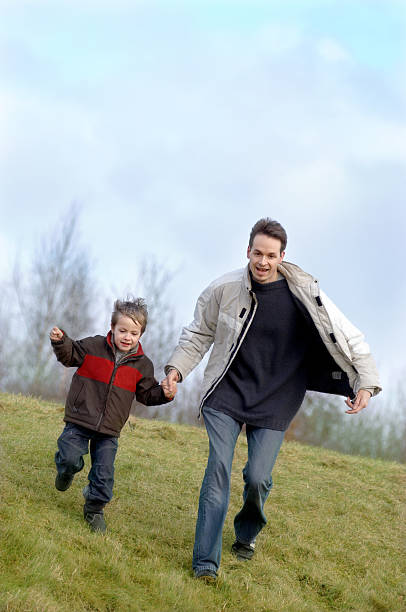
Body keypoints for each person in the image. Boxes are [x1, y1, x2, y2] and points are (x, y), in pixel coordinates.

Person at [163, 218, 381, 581]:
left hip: (277, 397)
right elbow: (199, 333)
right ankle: (205, 564)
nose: (262, 262)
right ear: (247, 251)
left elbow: (350, 338)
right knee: (217, 472)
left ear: (282, 256)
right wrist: (176, 370)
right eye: (257, 254)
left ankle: (247, 533)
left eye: (271, 256)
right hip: (226, 391)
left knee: (257, 477)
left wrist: (366, 384)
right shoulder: (225, 289)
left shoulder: (305, 294)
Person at [50, 297, 176, 533]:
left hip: (109, 430)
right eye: (123, 331)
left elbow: (147, 395)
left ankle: (94, 508)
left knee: (104, 475)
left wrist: (165, 393)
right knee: (69, 458)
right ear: (113, 328)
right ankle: (66, 471)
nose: (127, 337)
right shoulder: (93, 347)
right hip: (80, 418)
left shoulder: (142, 365)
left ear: (141, 334)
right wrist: (60, 341)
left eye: (134, 333)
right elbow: (70, 355)